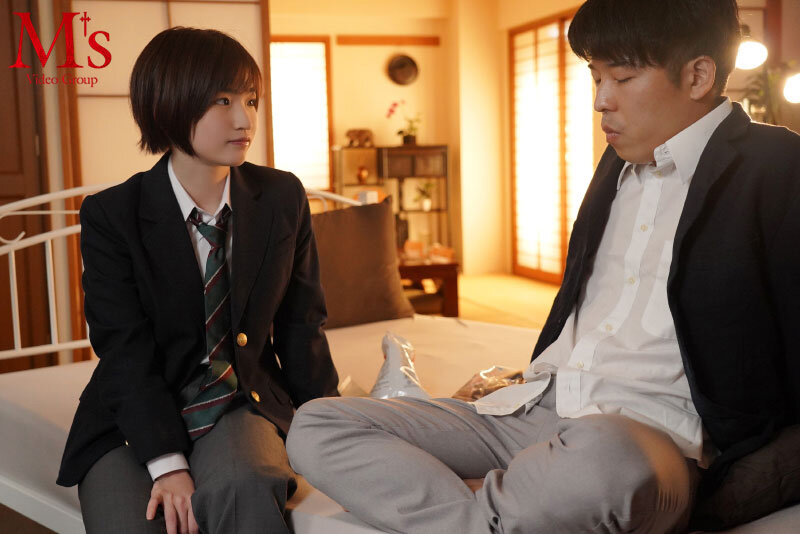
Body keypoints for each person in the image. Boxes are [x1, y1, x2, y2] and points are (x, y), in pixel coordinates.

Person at [286, 0, 800, 532]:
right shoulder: (618, 162)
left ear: (698, 76)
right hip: (537, 407)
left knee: (602, 462)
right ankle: (503, 510)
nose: (600, 101)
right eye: (595, 77)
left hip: (642, 440)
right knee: (317, 426)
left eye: (622, 78)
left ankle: (503, 500)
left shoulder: (778, 167)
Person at [57, 27, 339, 534]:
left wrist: (333, 427)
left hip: (240, 401)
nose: (244, 119)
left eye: (250, 100)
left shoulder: (281, 197)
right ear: (169, 105)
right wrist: (168, 465)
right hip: (132, 415)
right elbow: (123, 349)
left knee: (247, 485)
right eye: (222, 101)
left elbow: (302, 327)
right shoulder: (113, 214)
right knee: (134, 524)